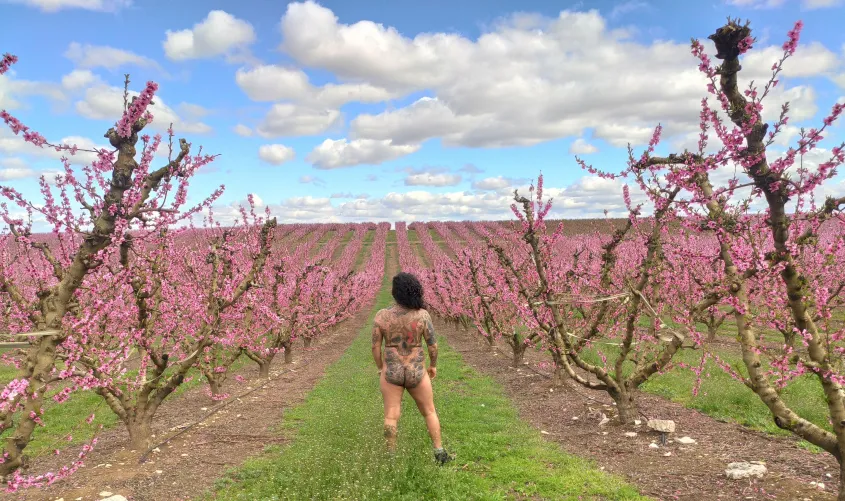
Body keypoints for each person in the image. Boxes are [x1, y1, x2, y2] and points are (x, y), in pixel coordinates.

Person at [372, 272, 452, 465]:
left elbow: (375, 346)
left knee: (391, 416)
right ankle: (439, 453)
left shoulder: (382, 316)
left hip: (392, 372)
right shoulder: (422, 315)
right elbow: (432, 345)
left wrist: (381, 367)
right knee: (429, 412)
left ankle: (391, 458)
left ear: (395, 293)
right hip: (416, 370)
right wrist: (433, 365)